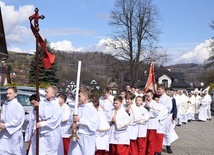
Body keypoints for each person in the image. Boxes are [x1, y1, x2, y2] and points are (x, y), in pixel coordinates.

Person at [28, 85, 63, 155]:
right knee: (40, 151)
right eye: (45, 91)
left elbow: (54, 121)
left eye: (47, 92)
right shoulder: (42, 102)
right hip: (41, 133)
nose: (45, 93)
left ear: (53, 94)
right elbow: (37, 114)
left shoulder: (57, 106)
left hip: (51, 133)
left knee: (51, 152)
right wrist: (36, 107)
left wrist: (42, 124)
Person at [68, 86, 100, 155]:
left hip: (87, 138)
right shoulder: (77, 108)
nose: (78, 98)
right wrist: (72, 125)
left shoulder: (92, 110)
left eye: (79, 96)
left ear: (85, 97)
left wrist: (80, 120)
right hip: (76, 137)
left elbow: (94, 125)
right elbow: (70, 119)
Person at [0, 86, 26, 154]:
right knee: (3, 149)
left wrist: (5, 125)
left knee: (14, 150)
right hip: (5, 131)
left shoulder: (18, 106)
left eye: (10, 93)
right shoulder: (5, 105)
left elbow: (17, 120)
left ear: (15, 94)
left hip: (14, 131)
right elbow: (4, 117)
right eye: (7, 93)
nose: (8, 95)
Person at [157, 84, 178, 154]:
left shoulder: (168, 98)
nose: (158, 91)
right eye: (158, 89)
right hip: (158, 118)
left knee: (167, 132)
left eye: (159, 89)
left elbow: (169, 108)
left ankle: (168, 146)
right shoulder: (156, 97)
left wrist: (160, 109)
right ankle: (158, 148)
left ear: (163, 90)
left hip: (166, 118)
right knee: (158, 133)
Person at [144, 90, 159, 155]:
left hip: (152, 125)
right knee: (145, 141)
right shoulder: (144, 103)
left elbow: (156, 113)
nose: (147, 97)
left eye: (148, 96)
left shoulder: (155, 103)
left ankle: (150, 153)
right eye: (146, 96)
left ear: (152, 96)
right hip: (145, 125)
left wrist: (149, 107)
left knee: (151, 141)